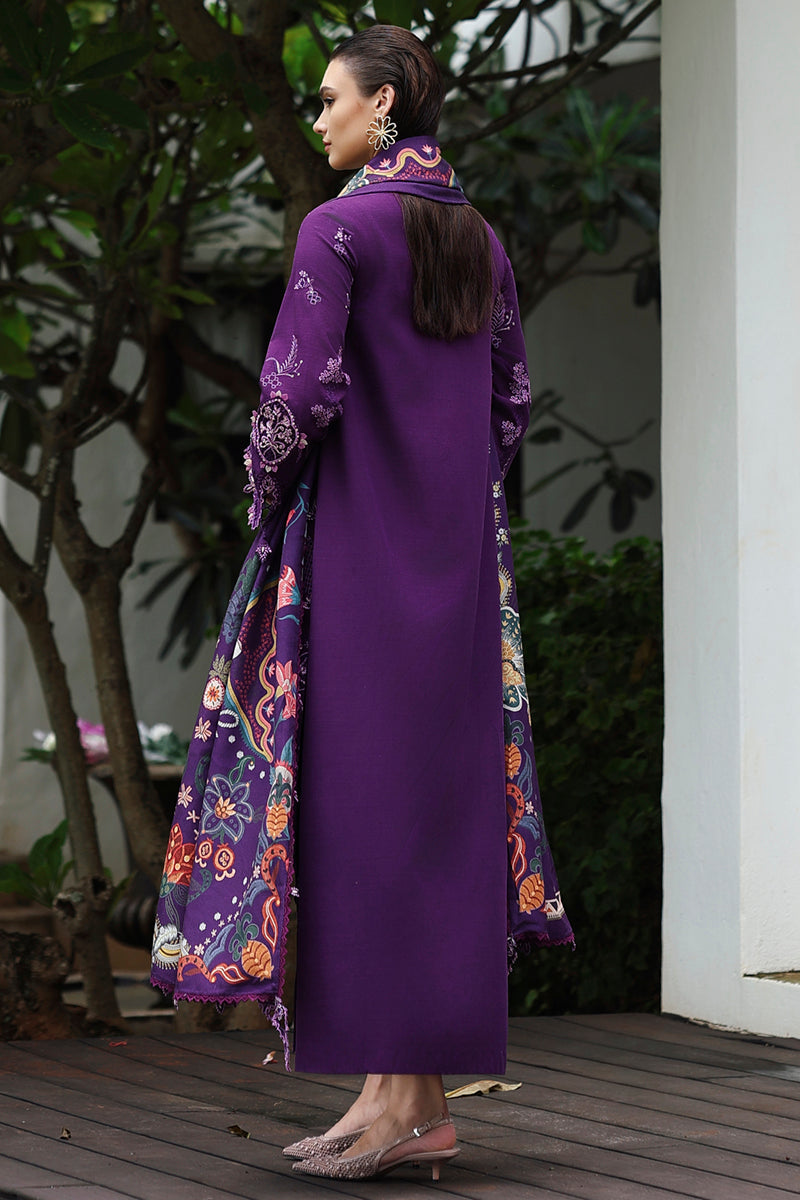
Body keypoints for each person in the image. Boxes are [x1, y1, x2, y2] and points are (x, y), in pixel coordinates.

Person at [151, 23, 573, 1184]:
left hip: (354, 555)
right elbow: (509, 402)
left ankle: (402, 1102)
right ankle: (402, 1099)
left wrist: (267, 500)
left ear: (383, 104)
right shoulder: (475, 239)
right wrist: (446, 495)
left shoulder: (336, 230)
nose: (319, 118)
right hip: (457, 564)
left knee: (361, 814)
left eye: (329, 99)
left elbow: (291, 399)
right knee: (429, 814)